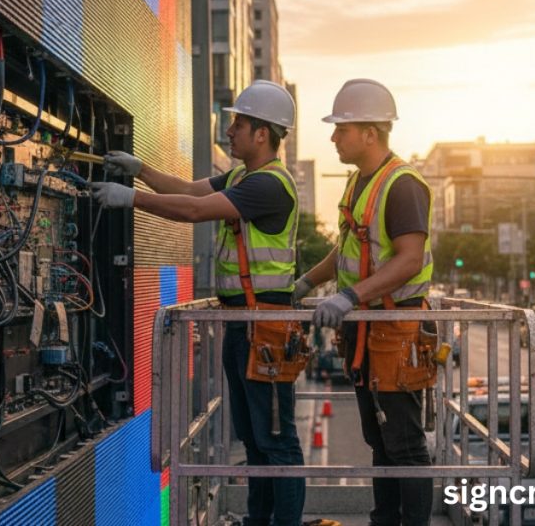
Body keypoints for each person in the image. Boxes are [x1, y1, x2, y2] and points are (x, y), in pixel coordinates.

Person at [92, 80, 337, 526]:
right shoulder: (243, 176)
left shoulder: (269, 186)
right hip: (244, 325)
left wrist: (131, 199)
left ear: (262, 133)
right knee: (255, 436)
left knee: (277, 439)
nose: (230, 132)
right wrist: (140, 169)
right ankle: (258, 521)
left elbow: (193, 212)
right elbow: (189, 190)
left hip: (266, 327)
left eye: (238, 124)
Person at [294, 79, 435, 526]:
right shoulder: (359, 183)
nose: (334, 137)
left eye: (342, 129)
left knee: (405, 445)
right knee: (379, 438)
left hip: (396, 328)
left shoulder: (402, 185)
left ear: (370, 133)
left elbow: (410, 259)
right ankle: (384, 520)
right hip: (368, 327)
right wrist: (306, 283)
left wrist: (351, 296)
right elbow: (350, 249)